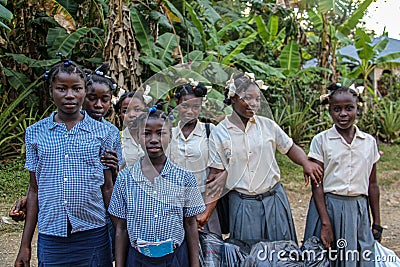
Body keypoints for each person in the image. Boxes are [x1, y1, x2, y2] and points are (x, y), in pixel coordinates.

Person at [14, 55, 114, 267]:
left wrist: (122, 232)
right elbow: (34, 189)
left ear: (84, 91)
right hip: (52, 237)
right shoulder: (35, 133)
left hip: (93, 233)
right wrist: (25, 245)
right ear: (51, 91)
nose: (70, 95)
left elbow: (107, 187)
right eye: (62, 88)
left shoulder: (105, 133)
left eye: (76, 89)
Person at [205, 72, 323, 245]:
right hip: (242, 203)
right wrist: (207, 211)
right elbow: (216, 173)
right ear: (233, 98)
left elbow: (289, 147)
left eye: (257, 99)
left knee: (281, 252)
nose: (253, 104)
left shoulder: (268, 126)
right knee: (248, 253)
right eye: (247, 98)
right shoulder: (220, 132)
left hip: (274, 199)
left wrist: (306, 162)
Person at [108, 105, 205, 267]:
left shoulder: (185, 177)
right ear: (137, 138)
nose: (154, 139)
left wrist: (194, 264)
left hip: (175, 258)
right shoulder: (125, 178)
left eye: (160, 133)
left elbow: (190, 223)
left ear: (171, 136)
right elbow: (121, 227)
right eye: (146, 134)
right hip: (137, 258)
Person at [303, 83, 381, 266]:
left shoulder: (368, 142)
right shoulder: (321, 141)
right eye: (337, 109)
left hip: (358, 210)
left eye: (349, 108)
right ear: (329, 111)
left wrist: (377, 222)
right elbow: (317, 184)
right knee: (326, 258)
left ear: (357, 108)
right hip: (328, 208)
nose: (343, 114)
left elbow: (373, 184)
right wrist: (325, 223)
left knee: (358, 258)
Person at [166, 80, 222, 234]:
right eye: (185, 105)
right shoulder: (168, 133)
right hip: (173, 205)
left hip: (202, 204)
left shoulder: (210, 131)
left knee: (207, 251)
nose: (190, 111)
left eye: (195, 106)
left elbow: (216, 174)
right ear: (177, 103)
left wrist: (206, 211)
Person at [113, 90, 152, 169]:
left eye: (137, 110)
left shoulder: (156, 138)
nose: (131, 115)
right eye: (125, 111)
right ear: (119, 114)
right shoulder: (116, 139)